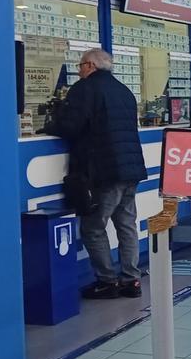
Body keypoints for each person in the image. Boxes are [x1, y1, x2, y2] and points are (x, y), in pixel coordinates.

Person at [45, 48, 147, 299]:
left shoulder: (84, 89)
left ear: (90, 65)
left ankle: (107, 281)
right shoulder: (124, 90)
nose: (78, 70)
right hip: (131, 168)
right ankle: (131, 280)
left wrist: (51, 125)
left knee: (93, 227)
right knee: (126, 225)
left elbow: (70, 126)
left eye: (80, 65)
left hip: (103, 169)